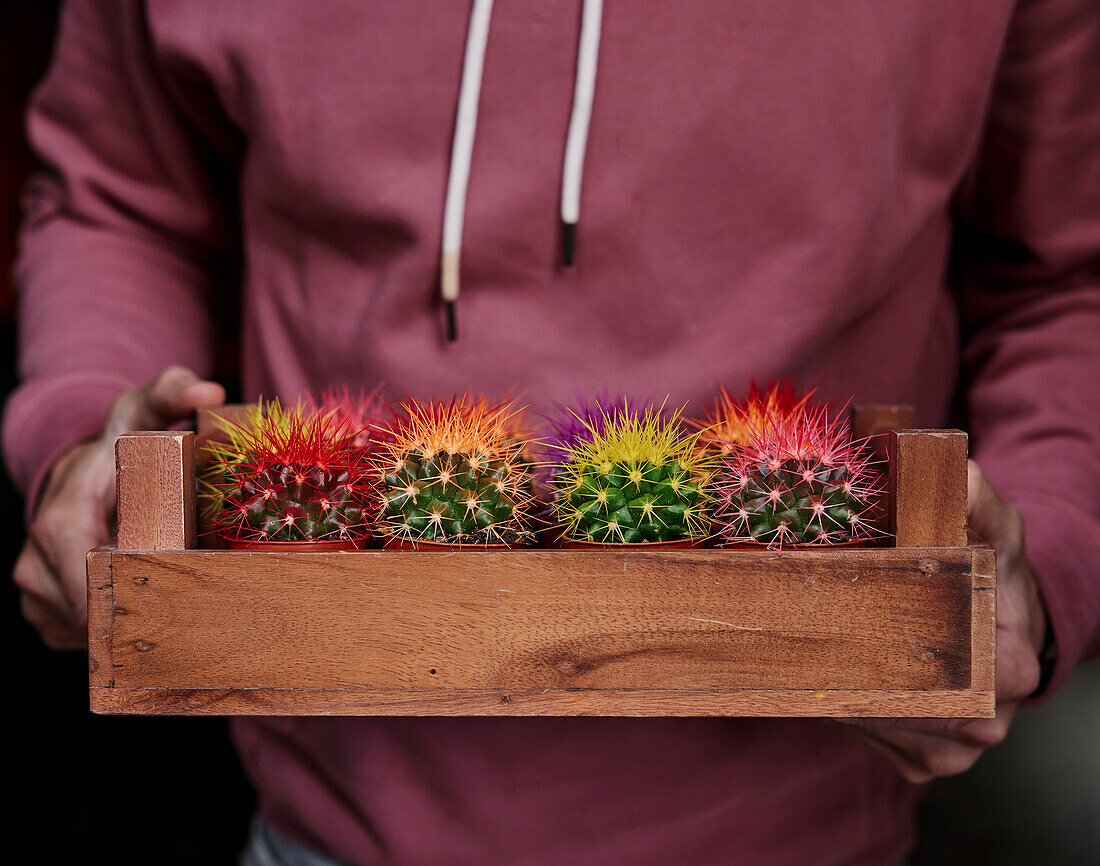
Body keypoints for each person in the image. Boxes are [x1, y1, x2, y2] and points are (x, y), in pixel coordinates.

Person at [5, 2, 1098, 864]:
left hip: (815, 826)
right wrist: (79, 426)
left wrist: (1039, 559)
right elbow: (123, 196)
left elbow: (1067, 273)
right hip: (317, 818)